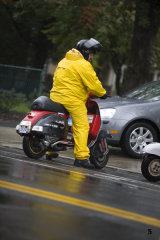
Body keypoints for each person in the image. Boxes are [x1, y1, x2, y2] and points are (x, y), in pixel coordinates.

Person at [47, 38, 107, 169]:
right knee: (82, 126)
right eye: (91, 54)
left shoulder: (64, 61)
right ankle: (81, 158)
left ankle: (50, 149)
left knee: (59, 124)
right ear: (85, 52)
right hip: (72, 100)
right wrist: (103, 93)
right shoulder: (83, 65)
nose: (91, 57)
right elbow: (94, 84)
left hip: (56, 97)